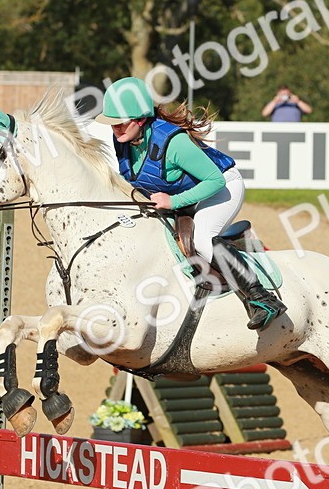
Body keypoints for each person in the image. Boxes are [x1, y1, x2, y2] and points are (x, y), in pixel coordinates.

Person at [96, 76, 287, 330]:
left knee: (203, 239)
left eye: (120, 123)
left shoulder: (174, 142)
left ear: (140, 119)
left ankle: (262, 298)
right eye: (112, 125)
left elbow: (214, 180)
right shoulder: (124, 141)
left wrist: (173, 201)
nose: (115, 129)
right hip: (187, 193)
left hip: (221, 187)